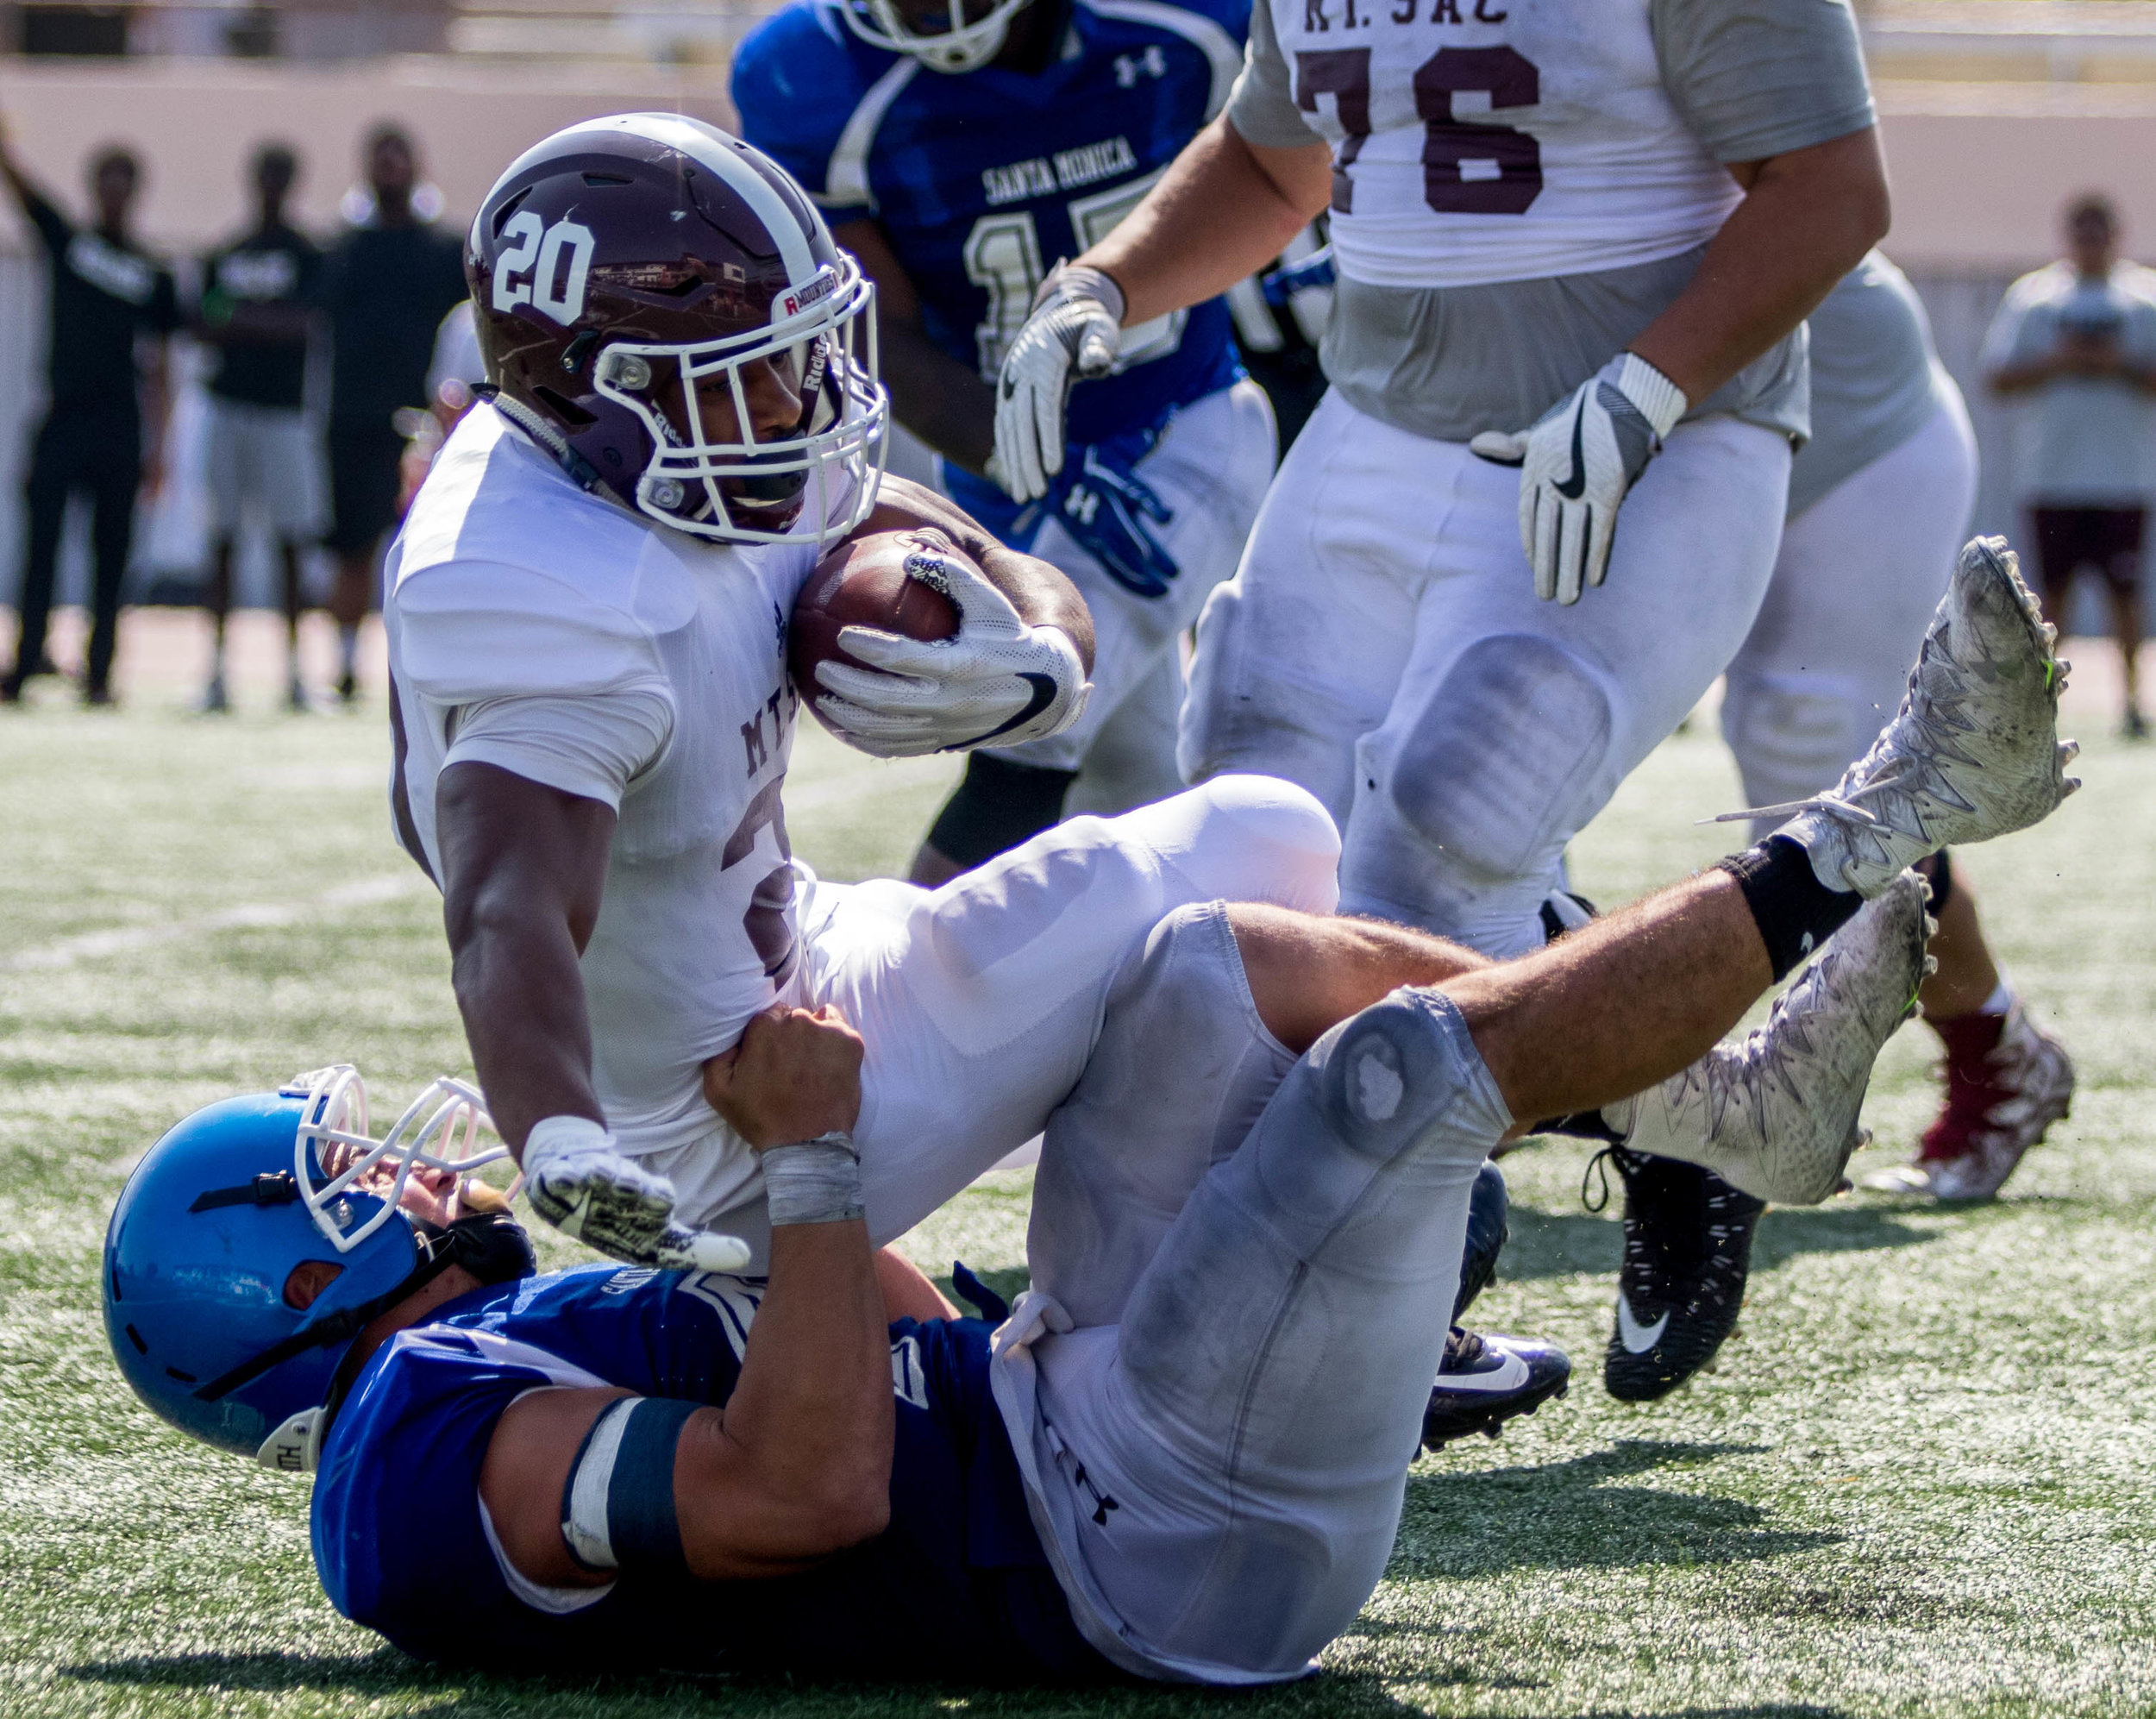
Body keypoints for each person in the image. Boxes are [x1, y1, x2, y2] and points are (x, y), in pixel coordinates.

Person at [106, 536, 2077, 1681]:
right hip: (1136, 1546)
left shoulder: (484, 1352)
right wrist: (802, 1157)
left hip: (1070, 1396)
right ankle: (1875, 826)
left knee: (1220, 949)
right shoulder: (404, 1464)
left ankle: (1706, 1105)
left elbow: (871, 1349)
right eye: (340, 1175)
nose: (394, 1162)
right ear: (276, 1284)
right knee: (1389, 1079)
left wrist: (1222, 1258)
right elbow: (812, 1491)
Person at [389, 111, 1564, 1437]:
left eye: (802, 353)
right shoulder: (532, 589)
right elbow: (507, 910)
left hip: (812, 961)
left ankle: (1308, 1294)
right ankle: (1234, 1355)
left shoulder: (674, 457)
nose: (810, 400)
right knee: (1246, 869)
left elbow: (968, 539)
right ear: (608, 391)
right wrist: (559, 1137)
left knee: (1267, 843)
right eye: (760, 373)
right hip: (739, 1115)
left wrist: (1044, 654)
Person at [1584, 253, 2084, 1403]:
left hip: (1838, 433)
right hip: (1667, 442)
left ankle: (1989, 1053)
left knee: (1821, 764)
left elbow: (1818, 191)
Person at [730, 0, 1278, 883]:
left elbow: (1276, 159)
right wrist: (1011, 446)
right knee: (1131, 792)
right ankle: (1189, 988)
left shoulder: (1183, 22)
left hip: (1178, 423)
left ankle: (895, 996)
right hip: (993, 471)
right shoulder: (812, 70)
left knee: (1024, 733)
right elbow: (871, 325)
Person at [0, 122, 179, 706]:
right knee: (41, 546)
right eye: (105, 182)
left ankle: (100, 671)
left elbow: (161, 362)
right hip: (63, 417)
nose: (114, 194)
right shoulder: (69, 241)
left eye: (123, 184)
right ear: (92, 188)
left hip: (118, 425)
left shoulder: (151, 273)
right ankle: (26, 662)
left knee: (111, 553)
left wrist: (160, 446)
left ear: (136, 192)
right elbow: (22, 190)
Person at [1983, 193, 2156, 740]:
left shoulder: (2143, 300)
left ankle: (2132, 703)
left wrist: (2117, 365)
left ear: (2116, 236)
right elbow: (1998, 379)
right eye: (2081, 234)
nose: (2090, 245)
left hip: (2122, 477)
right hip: (2053, 475)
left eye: (2099, 234)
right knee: (2048, 596)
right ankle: (2040, 702)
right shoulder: (2036, 298)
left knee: (2124, 595)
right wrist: (2060, 361)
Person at [318, 123, 467, 704]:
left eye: (399, 156)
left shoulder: (442, 252)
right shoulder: (343, 252)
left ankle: (422, 669)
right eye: (379, 156)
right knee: (353, 546)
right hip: (354, 417)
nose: (390, 167)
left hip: (426, 424)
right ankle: (346, 667)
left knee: (426, 553)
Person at [194, 141, 325, 714]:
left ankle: (295, 674)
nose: (271, 183)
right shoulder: (227, 250)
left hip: (284, 415)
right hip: (227, 409)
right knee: (220, 539)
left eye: (280, 174)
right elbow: (202, 320)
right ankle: (216, 673)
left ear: (291, 181)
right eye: (264, 173)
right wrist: (255, 320)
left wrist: (239, 318)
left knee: (290, 540)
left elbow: (303, 325)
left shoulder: (307, 255)